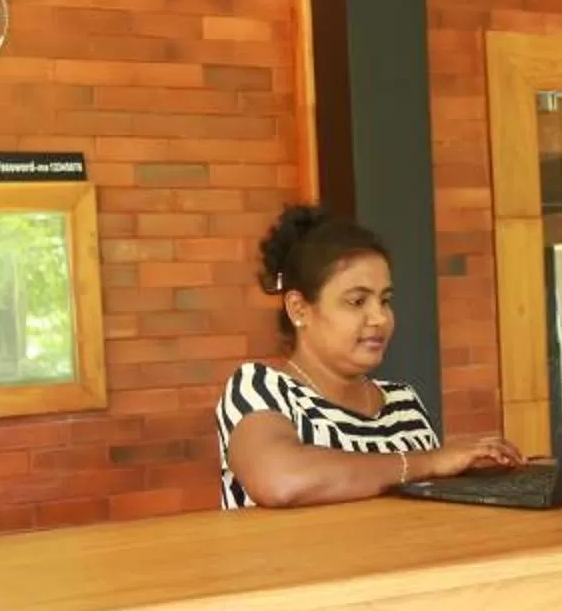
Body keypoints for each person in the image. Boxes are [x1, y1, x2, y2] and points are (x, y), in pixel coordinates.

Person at [217, 205, 522, 509]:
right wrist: (428, 461)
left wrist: (474, 475)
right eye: (357, 301)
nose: (380, 317)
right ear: (299, 309)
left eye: (385, 300)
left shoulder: (404, 404)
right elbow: (280, 479)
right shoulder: (260, 389)